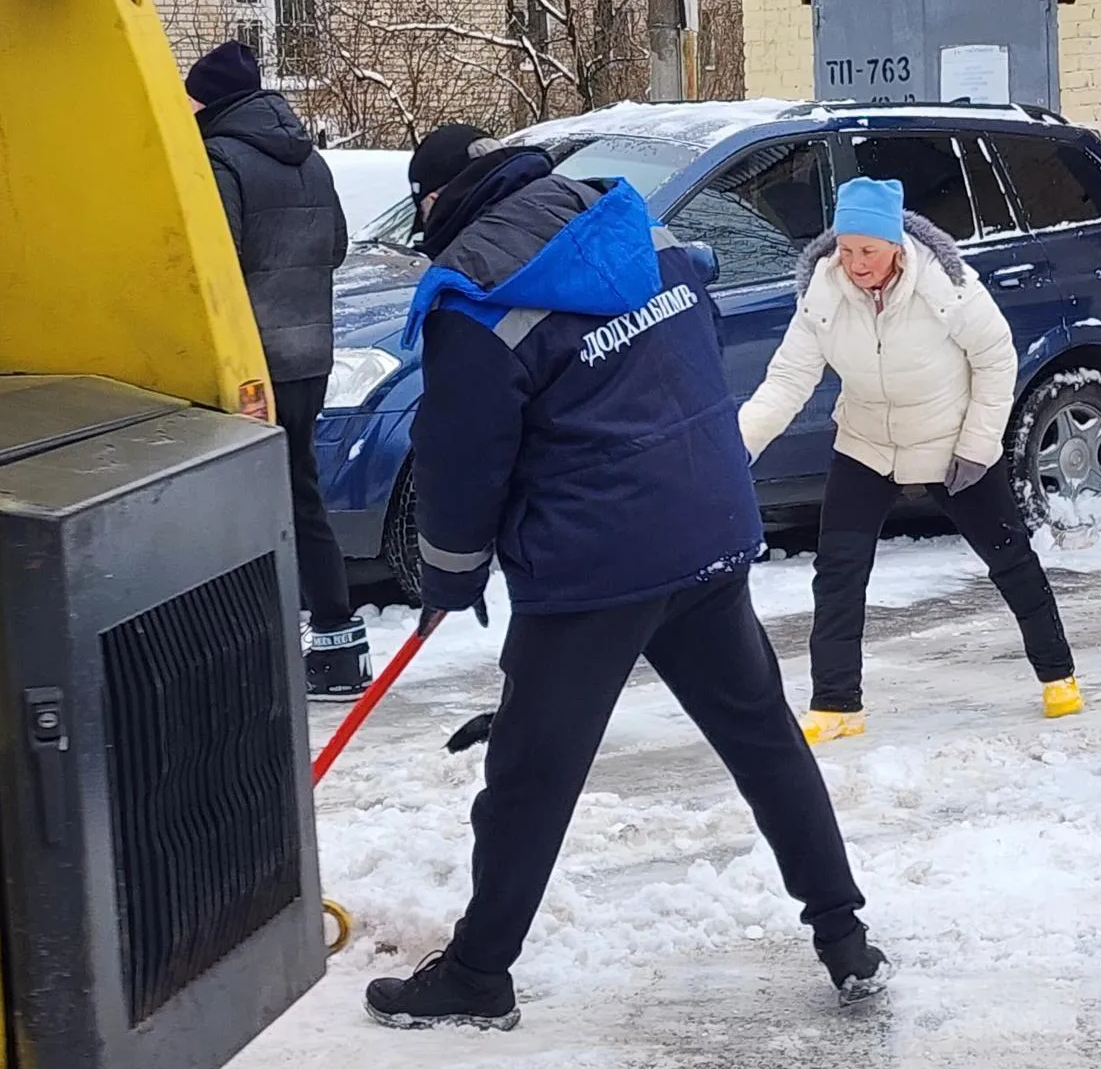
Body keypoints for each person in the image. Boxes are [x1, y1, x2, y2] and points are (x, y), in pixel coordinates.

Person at [364, 124, 889, 1032]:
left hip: (596, 561)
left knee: (529, 774)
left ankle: (480, 975)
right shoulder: (622, 218)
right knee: (762, 739)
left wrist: (449, 576)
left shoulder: (471, 293)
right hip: (706, 522)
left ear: (432, 206)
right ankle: (845, 937)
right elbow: (694, 331)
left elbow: (461, 462)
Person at [738, 177, 1083, 746]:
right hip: (867, 442)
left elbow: (997, 358)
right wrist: (738, 448)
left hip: (950, 441)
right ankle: (836, 703)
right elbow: (787, 380)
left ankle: (1058, 674)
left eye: (868, 250)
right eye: (845, 250)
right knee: (839, 571)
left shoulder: (947, 287)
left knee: (1010, 558)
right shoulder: (823, 293)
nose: (855, 263)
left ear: (896, 243)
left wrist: (977, 446)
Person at [186, 40, 370, 700]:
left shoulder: (219, 160)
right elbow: (338, 246)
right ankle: (338, 642)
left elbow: (215, 261)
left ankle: (242, 652)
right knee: (302, 493)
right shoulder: (310, 159)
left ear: (209, 101)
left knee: (233, 507)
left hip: (245, 363)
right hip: (307, 361)